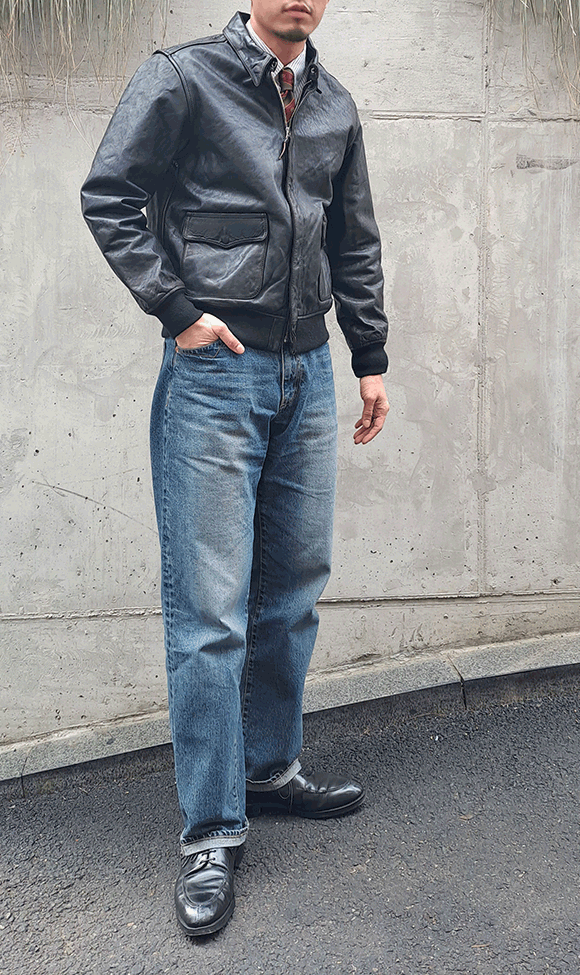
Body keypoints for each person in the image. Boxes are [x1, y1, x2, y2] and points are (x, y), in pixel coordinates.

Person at [81, 0, 390, 937]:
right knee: (210, 611)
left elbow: (353, 238)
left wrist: (369, 357)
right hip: (216, 373)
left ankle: (268, 768)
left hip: (308, 370)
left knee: (293, 588)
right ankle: (212, 829)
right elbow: (110, 194)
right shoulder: (184, 77)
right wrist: (176, 310)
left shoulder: (334, 104)